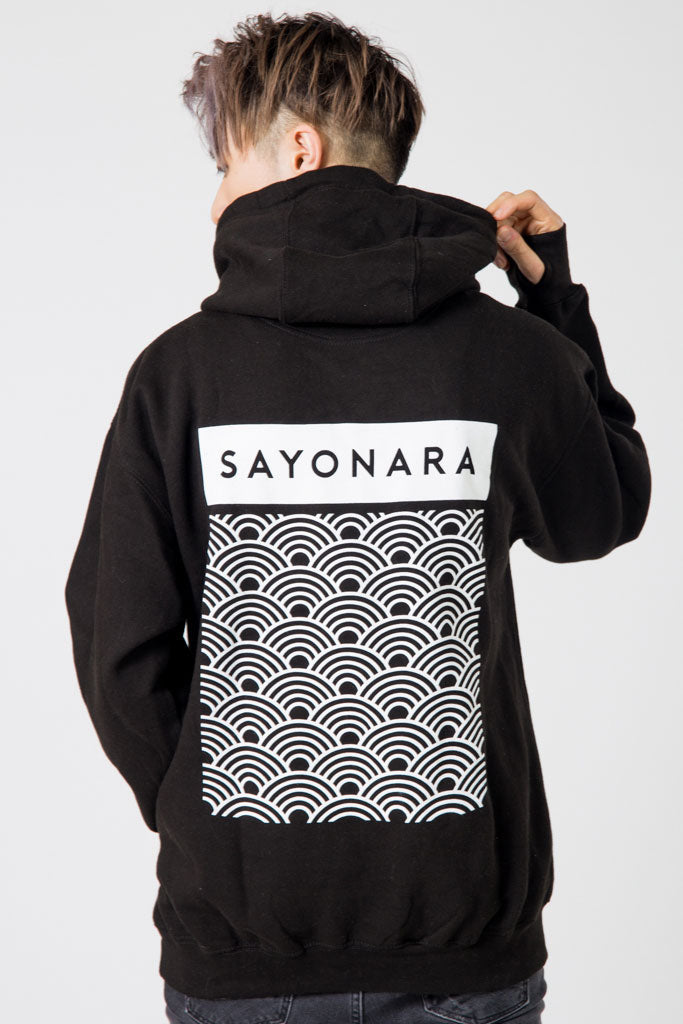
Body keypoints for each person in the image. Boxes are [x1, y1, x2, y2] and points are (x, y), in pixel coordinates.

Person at [63, 11, 651, 1024]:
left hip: (243, 950)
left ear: (298, 148)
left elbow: (117, 643)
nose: (215, 197)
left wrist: (209, 820)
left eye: (225, 163)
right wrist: (552, 304)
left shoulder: (178, 376)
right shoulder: (503, 356)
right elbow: (599, 511)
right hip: (466, 944)